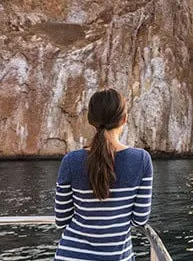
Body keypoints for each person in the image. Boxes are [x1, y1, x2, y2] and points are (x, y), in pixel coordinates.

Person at [54, 89, 153, 261]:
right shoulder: (142, 160)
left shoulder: (71, 161)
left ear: (91, 121)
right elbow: (139, 219)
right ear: (124, 119)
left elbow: (61, 219)